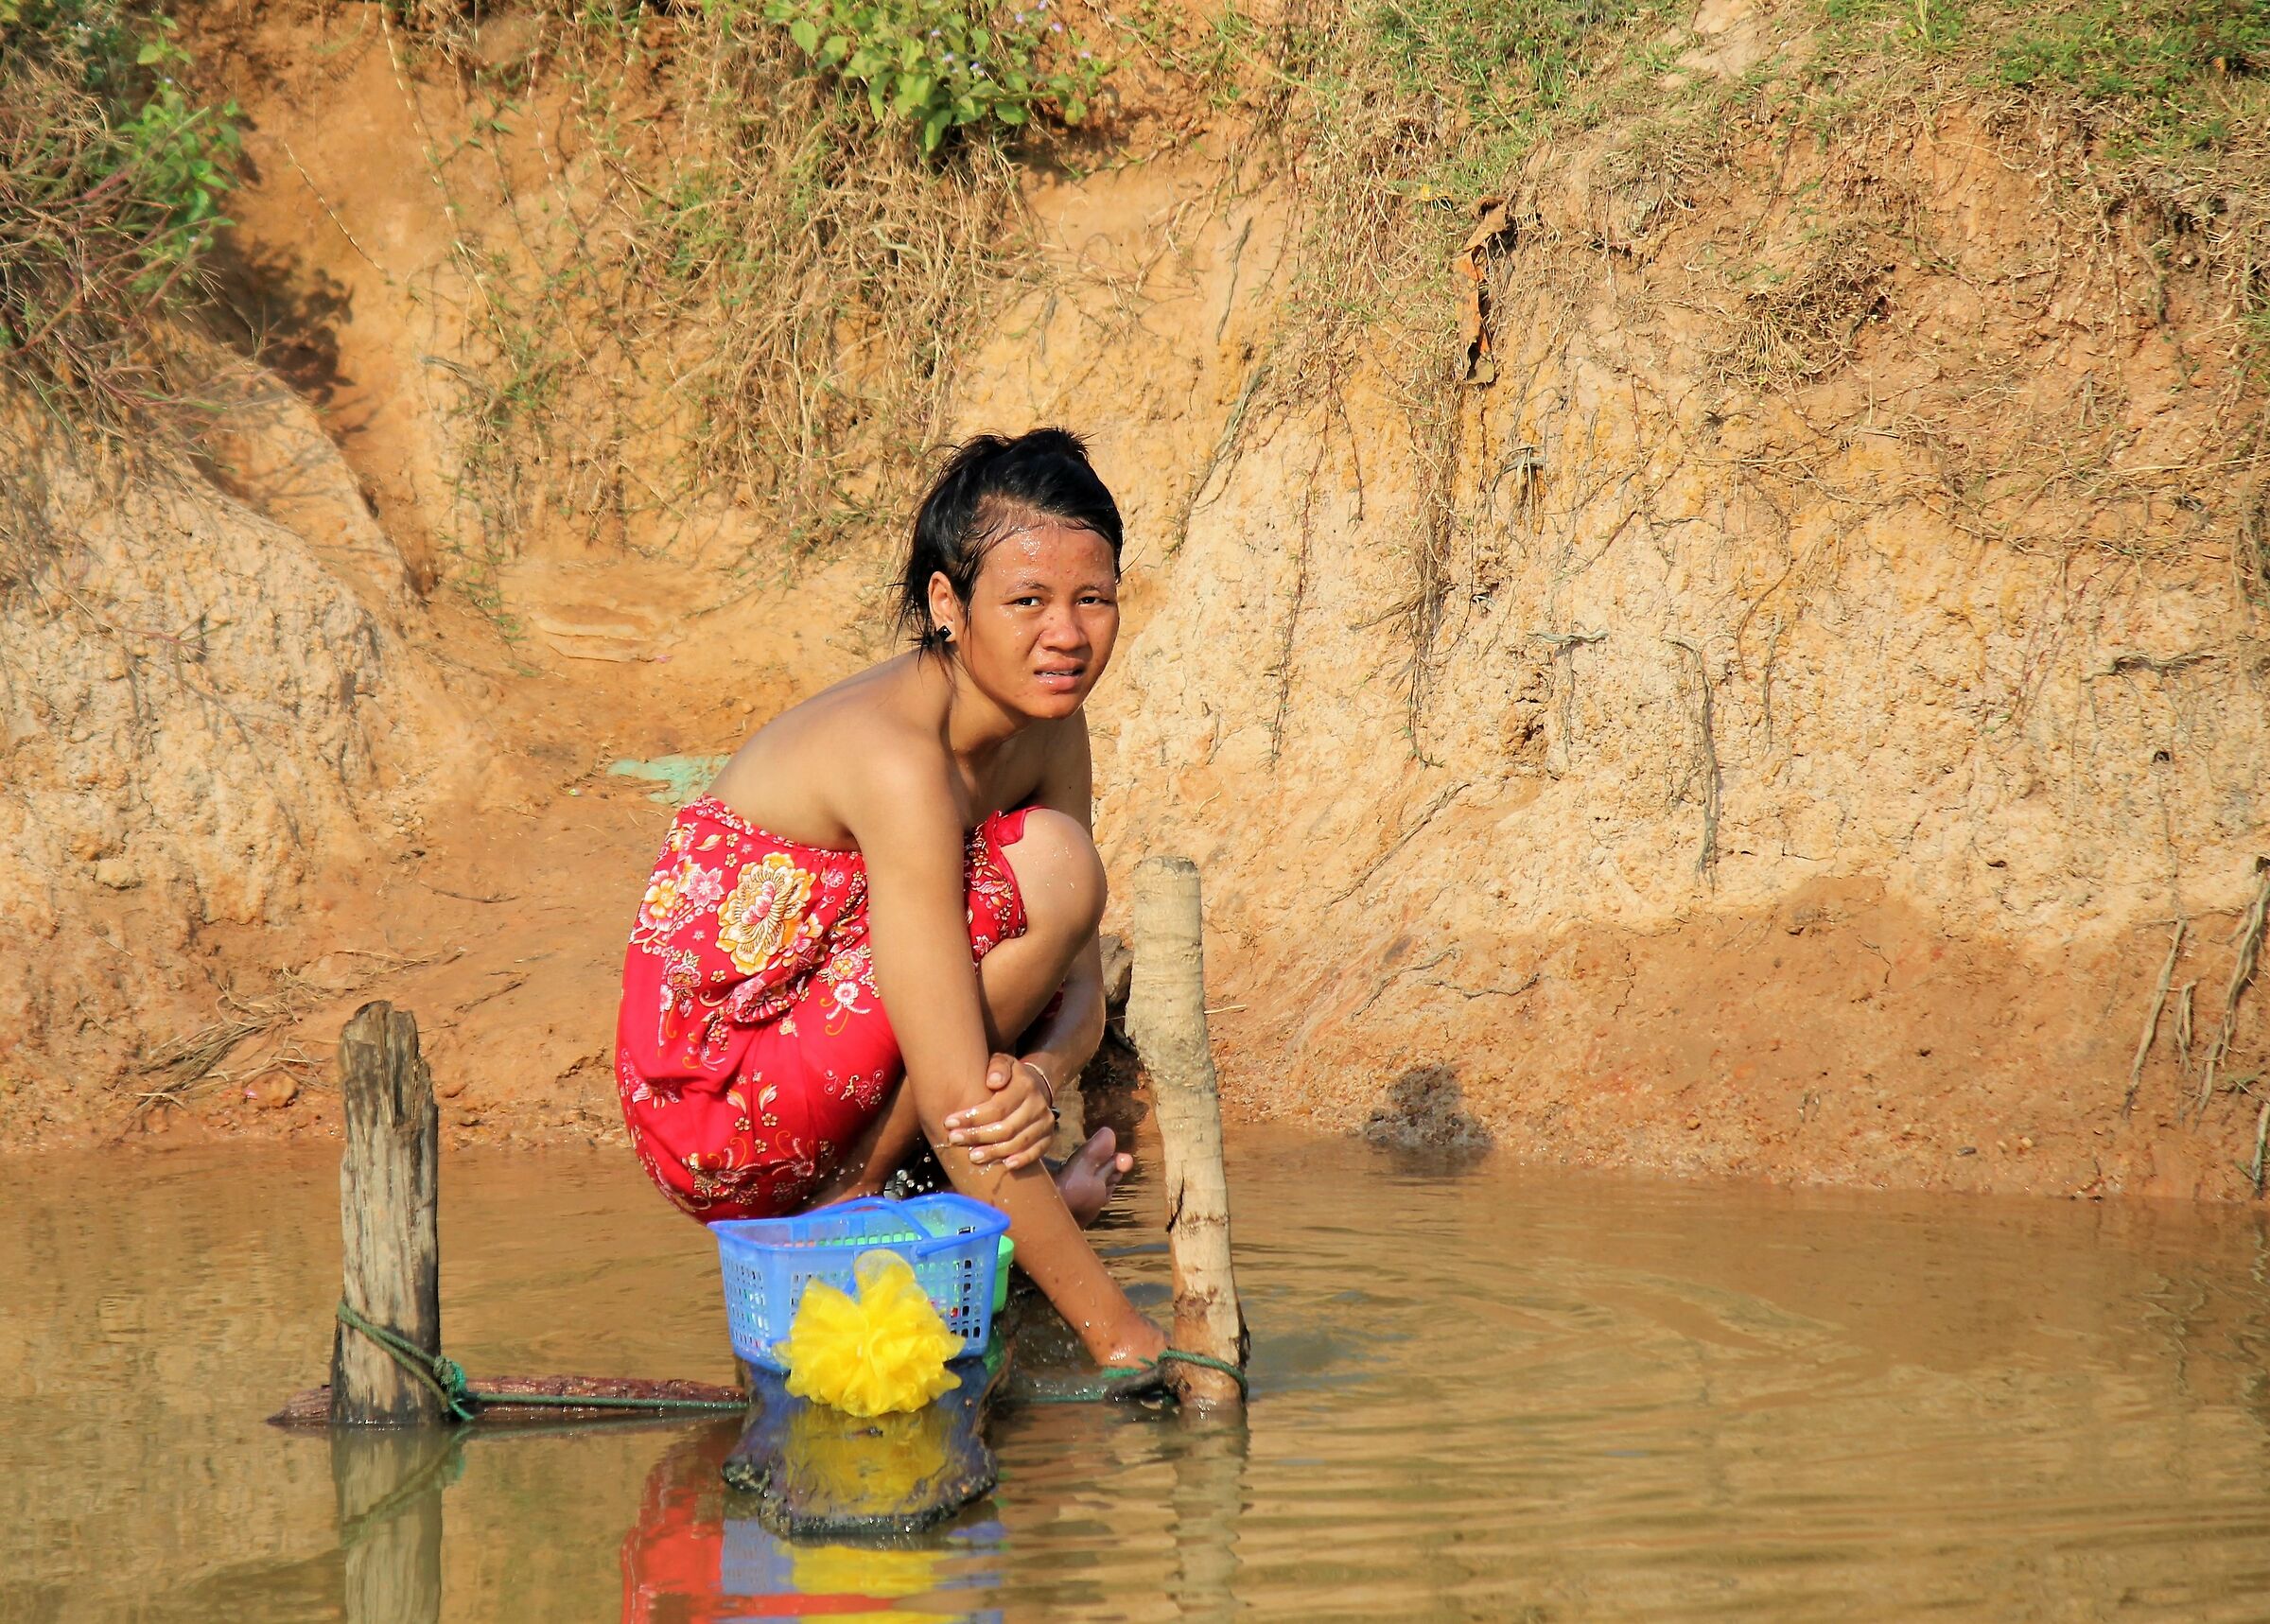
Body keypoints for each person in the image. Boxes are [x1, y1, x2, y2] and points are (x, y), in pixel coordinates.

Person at [614, 428, 1168, 1372]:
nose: (1067, 635)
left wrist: (1041, 1078)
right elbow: (958, 1099)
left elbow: (1078, 983)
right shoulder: (899, 760)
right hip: (717, 1096)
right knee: (1049, 866)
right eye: (1027, 601)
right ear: (948, 605)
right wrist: (1129, 1339)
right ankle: (851, 1210)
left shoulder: (1052, 724)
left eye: (1093, 600)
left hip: (829, 1028)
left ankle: (948, 1221)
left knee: (1056, 872)